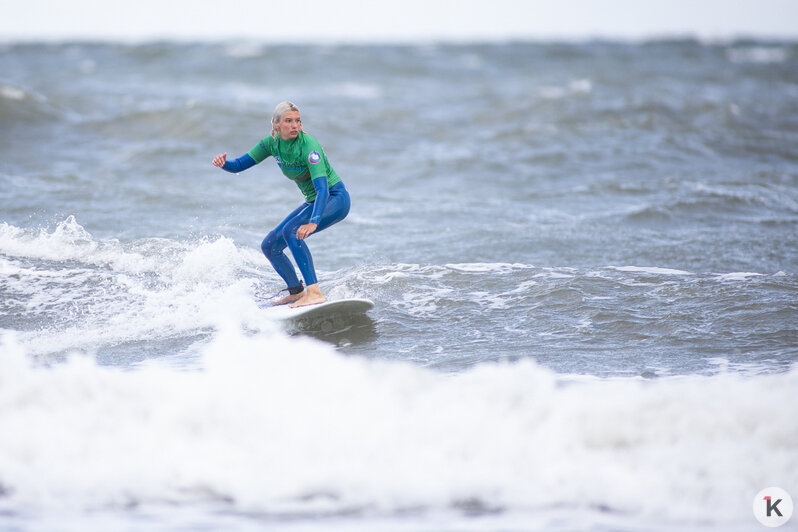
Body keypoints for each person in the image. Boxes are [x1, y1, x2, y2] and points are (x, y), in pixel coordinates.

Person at [213, 101, 350, 307]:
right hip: (315, 201)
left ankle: (314, 292)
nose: (295, 125)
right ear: (276, 125)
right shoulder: (271, 144)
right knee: (269, 246)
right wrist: (224, 164)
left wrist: (313, 222)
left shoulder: (308, 146)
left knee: (292, 231)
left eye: (298, 121)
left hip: (335, 198)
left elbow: (323, 189)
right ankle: (296, 291)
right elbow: (240, 164)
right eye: (288, 121)